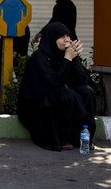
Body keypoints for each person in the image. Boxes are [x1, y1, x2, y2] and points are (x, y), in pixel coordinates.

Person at [17, 22, 95, 151]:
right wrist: (67, 59)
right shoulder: (39, 58)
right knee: (66, 94)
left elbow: (82, 80)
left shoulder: (64, 55)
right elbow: (53, 82)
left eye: (68, 36)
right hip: (37, 106)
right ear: (52, 39)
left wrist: (73, 59)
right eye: (62, 37)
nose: (67, 40)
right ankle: (60, 138)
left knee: (86, 92)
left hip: (56, 98)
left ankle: (82, 138)